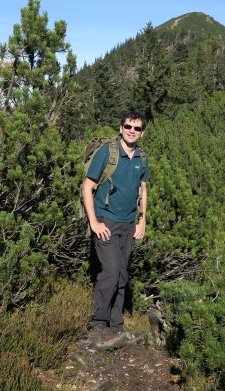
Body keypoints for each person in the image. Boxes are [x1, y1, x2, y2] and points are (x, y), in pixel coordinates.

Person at [82, 111, 149, 334]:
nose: (132, 131)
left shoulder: (142, 157)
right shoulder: (106, 153)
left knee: (121, 273)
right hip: (106, 220)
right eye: (128, 126)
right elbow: (87, 187)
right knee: (110, 272)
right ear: (121, 128)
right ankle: (97, 322)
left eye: (137, 128)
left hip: (129, 223)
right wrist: (94, 222)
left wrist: (142, 220)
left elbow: (142, 189)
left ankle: (116, 323)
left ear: (142, 133)